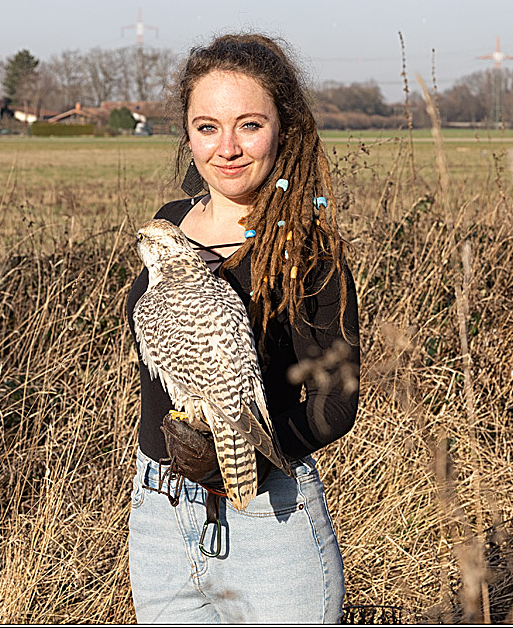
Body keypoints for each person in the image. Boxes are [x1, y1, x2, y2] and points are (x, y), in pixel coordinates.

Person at [124, 33, 360, 623]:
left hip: (268, 521)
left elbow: (337, 404)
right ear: (187, 134)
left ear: (285, 129)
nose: (226, 147)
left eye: (248, 125)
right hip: (159, 514)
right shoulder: (169, 225)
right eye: (207, 127)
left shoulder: (307, 249)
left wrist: (247, 450)